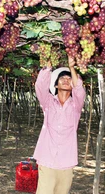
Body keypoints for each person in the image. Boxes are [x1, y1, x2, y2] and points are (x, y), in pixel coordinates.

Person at [33, 56, 86, 194]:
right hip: (47, 159)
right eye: (62, 78)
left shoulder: (76, 106)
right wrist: (47, 68)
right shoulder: (48, 102)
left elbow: (79, 89)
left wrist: (72, 67)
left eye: (69, 79)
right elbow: (40, 87)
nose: (66, 80)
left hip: (66, 162)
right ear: (55, 85)